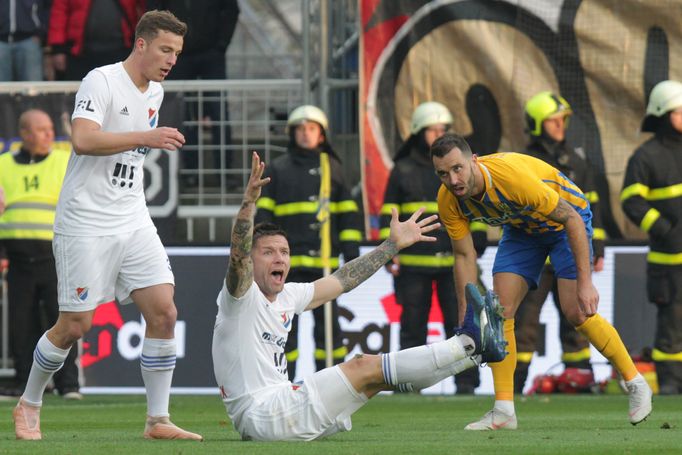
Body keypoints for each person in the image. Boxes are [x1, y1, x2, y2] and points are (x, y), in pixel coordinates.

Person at [212, 151, 507, 441]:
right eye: (268, 252)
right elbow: (238, 256)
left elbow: (343, 280)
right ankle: (468, 343)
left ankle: (474, 354)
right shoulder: (240, 297)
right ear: (252, 261)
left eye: (284, 252)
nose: (279, 259)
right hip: (265, 413)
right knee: (362, 365)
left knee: (376, 380)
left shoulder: (289, 295)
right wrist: (249, 204)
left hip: (282, 408)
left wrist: (390, 247)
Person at [12, 10, 202, 441]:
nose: (172, 59)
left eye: (177, 52)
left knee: (164, 311)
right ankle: (29, 403)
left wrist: (144, 139)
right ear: (141, 44)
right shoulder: (101, 80)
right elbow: (83, 139)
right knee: (75, 326)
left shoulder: (155, 90)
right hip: (86, 221)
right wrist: (145, 137)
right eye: (165, 49)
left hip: (132, 217)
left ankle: (158, 420)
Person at [431, 133, 653, 430]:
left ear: (474, 160)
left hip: (565, 223)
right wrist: (465, 310)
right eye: (443, 173)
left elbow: (572, 218)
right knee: (499, 311)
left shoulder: (510, 177)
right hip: (522, 230)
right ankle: (504, 410)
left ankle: (636, 382)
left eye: (458, 168)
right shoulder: (448, 199)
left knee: (577, 312)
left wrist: (585, 284)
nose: (453, 179)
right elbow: (463, 256)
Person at [380, 101, 483, 394]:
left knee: (462, 323)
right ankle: (408, 384)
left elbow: (473, 207)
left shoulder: (456, 170)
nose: (438, 133)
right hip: (414, 266)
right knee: (413, 326)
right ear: (417, 132)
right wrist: (389, 252)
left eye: (442, 129)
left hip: (454, 263)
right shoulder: (402, 170)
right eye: (432, 129)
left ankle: (466, 384)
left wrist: (478, 239)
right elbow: (389, 215)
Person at [255, 105, 362, 380]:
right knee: (283, 332)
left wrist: (351, 252)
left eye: (311, 129)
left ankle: (328, 386)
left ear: (322, 135)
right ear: (292, 134)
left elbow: (348, 215)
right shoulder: (278, 169)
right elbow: (264, 216)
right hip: (285, 270)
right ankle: (281, 385)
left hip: (324, 267)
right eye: (300, 129)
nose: (305, 134)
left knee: (328, 333)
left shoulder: (333, 169)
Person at [513, 92, 606, 393]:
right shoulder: (526, 162)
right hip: (537, 259)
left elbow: (591, 207)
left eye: (562, 120)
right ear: (538, 124)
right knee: (524, 325)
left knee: (578, 321)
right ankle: (513, 389)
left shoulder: (576, 160)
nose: (560, 126)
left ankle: (579, 383)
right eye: (553, 121)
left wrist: (597, 249)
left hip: (569, 255)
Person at [0, 109, 80, 399]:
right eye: (41, 130)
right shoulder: (3, 165)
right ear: (24, 134)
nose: (48, 135)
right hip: (18, 257)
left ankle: (68, 385)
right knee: (21, 323)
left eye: (50, 129)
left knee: (64, 321)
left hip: (56, 256)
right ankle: (26, 383)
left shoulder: (64, 161)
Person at [621, 80, 682, 395]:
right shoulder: (647, 156)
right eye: (679, 111)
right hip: (668, 263)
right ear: (662, 113)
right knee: (671, 328)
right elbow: (631, 200)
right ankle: (671, 385)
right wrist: (664, 229)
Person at [146, 0, 240, 189]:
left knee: (218, 112)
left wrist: (221, 44)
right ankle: (189, 173)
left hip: (211, 54)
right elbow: (155, 13)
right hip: (179, 56)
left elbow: (231, 10)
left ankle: (224, 172)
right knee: (182, 115)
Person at [47, 0, 145, 81]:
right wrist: (58, 49)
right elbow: (59, 12)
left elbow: (144, 11)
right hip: (80, 54)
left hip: (121, 51)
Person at [0, 0, 48, 81]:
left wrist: (41, 31)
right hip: (1, 40)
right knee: (2, 89)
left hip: (30, 39)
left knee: (33, 89)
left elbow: (48, 7)